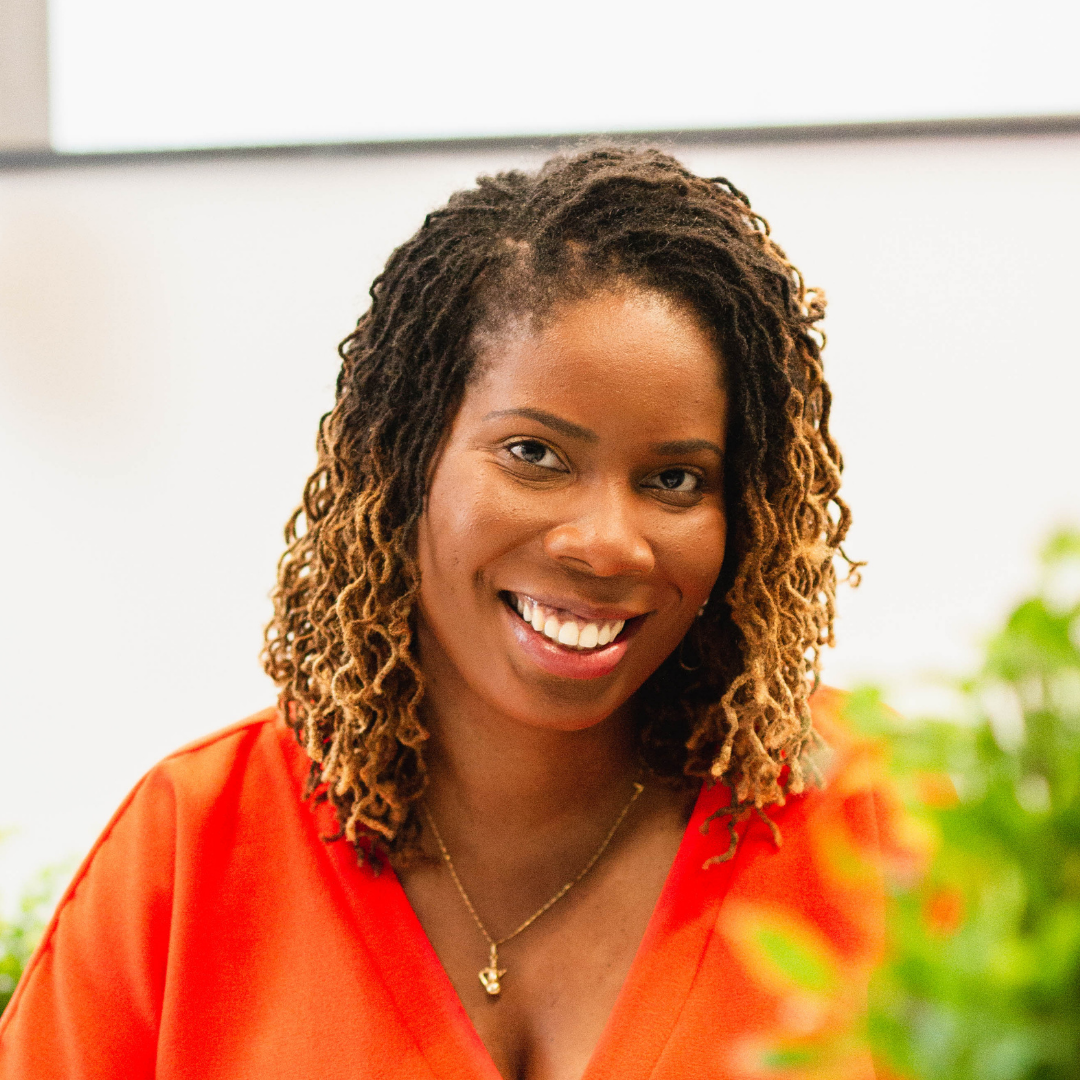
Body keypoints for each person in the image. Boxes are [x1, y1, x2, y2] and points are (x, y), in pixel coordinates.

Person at [0, 147, 888, 1079]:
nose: (609, 543)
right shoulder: (193, 850)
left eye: (674, 479)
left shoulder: (866, 821)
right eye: (535, 455)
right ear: (402, 460)